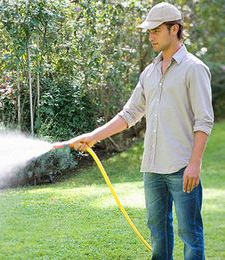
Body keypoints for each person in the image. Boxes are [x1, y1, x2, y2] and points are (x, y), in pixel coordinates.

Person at [55, 2, 214, 260]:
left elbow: (204, 121)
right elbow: (129, 114)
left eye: (156, 30)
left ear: (174, 29)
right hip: (152, 169)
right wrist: (93, 137)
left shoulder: (194, 69)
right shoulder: (149, 73)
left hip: (182, 168)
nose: (150, 36)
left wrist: (195, 163)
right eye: (148, 31)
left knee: (191, 235)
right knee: (158, 235)